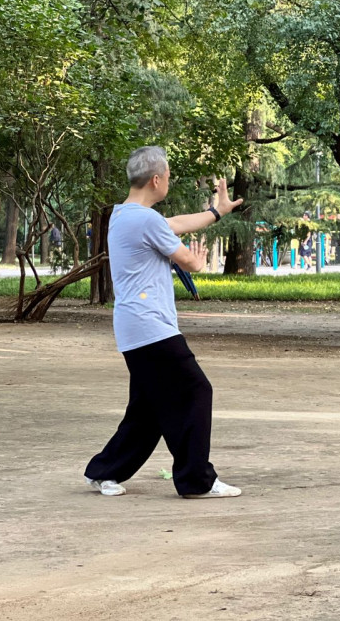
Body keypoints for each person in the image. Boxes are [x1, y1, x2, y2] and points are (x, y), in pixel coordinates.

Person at [84, 146, 244, 498]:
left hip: (135, 327)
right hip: (151, 328)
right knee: (196, 391)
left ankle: (103, 472)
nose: (168, 182)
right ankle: (196, 479)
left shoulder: (125, 215)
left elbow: (177, 224)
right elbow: (187, 260)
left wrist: (216, 212)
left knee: (149, 408)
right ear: (157, 180)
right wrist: (198, 262)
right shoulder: (144, 220)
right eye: (168, 177)